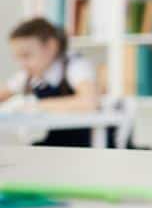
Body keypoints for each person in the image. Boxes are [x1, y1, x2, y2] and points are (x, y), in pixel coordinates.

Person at [0, 17, 99, 146]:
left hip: (84, 145)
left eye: (26, 55)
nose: (22, 64)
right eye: (17, 57)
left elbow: (89, 103)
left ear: (51, 46)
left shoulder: (75, 66)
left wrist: (35, 105)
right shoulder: (28, 75)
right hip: (53, 142)